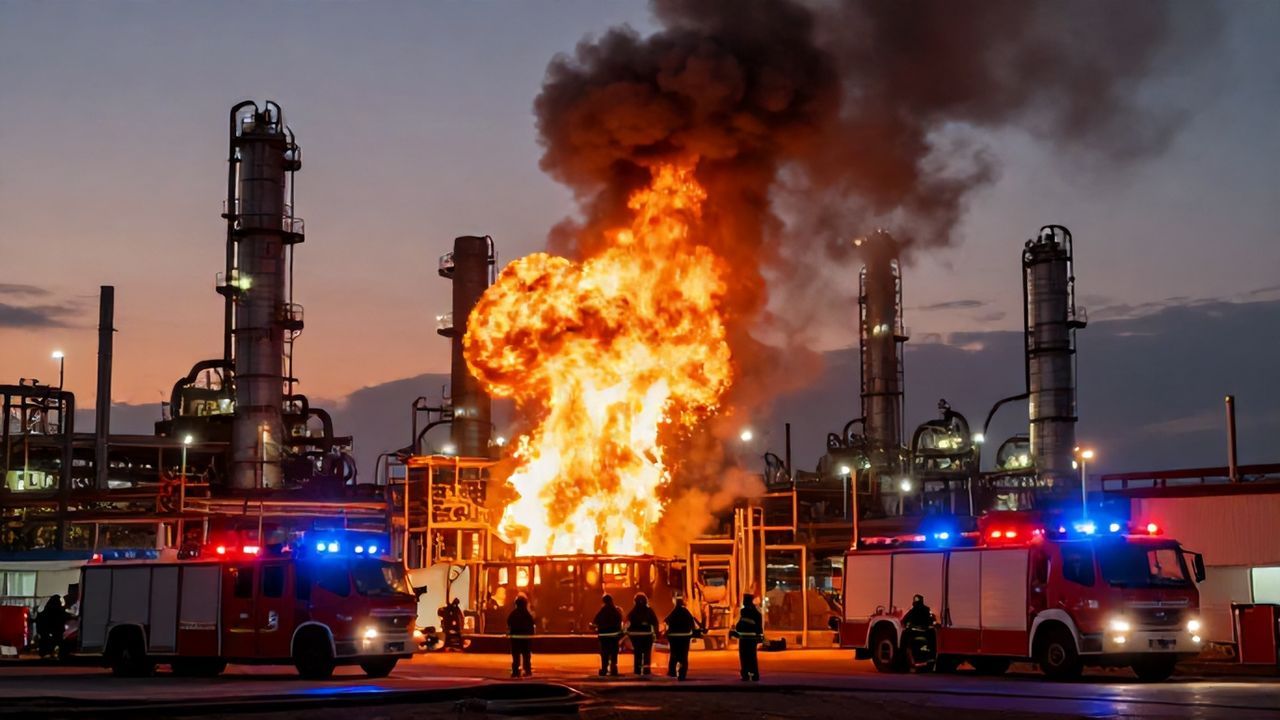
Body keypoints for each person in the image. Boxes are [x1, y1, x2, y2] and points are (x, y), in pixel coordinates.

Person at [730, 593, 763, 681]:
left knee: (744, 658)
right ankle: (754, 675)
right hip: (751, 639)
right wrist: (760, 637)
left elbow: (741, 625)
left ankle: (746, 675)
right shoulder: (756, 613)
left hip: (744, 639)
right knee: (752, 657)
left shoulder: (744, 612)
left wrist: (735, 632)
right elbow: (759, 627)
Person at [663, 597, 698, 680]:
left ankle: (672, 672)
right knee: (684, 656)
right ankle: (682, 674)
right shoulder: (686, 612)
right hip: (685, 637)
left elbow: (666, 620)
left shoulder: (674, 612)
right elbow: (692, 622)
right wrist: (694, 633)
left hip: (674, 637)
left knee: (673, 654)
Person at [626, 592, 659, 676]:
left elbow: (628, 623)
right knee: (647, 654)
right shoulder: (649, 611)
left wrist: (628, 633)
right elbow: (655, 623)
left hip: (636, 636)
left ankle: (637, 670)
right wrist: (656, 633)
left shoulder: (633, 612)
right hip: (647, 636)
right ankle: (646, 671)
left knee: (637, 653)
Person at [591, 594, 624, 677]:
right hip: (614, 636)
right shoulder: (616, 611)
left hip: (604, 635)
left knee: (604, 652)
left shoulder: (602, 611)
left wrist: (594, 627)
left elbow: (595, 621)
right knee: (614, 652)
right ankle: (613, 668)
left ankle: (604, 669)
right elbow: (620, 621)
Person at [506, 594, 535, 678]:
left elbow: (508, 623)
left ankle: (515, 671)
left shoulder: (513, 614)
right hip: (526, 638)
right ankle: (527, 670)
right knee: (526, 655)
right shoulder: (527, 615)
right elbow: (531, 624)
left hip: (515, 638)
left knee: (516, 656)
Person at [901, 594, 936, 663]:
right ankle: (931, 656)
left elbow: (904, 620)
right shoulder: (926, 609)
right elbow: (932, 619)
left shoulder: (913, 610)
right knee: (933, 636)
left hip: (916, 632)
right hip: (924, 632)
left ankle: (904, 657)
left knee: (904, 637)